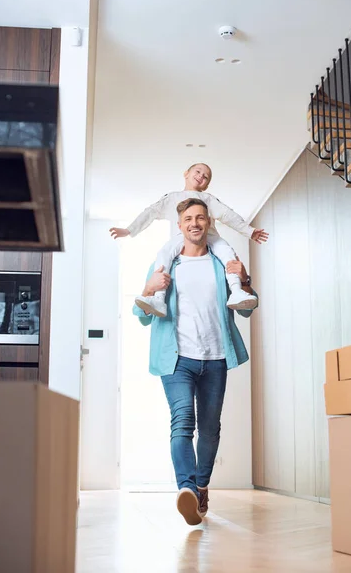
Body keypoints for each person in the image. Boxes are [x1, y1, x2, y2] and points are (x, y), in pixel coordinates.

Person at [133, 197, 258, 526]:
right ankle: (186, 489)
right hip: (176, 359)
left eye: (201, 217)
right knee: (182, 421)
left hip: (216, 356)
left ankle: (201, 487)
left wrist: (244, 279)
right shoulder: (166, 264)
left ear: (208, 223)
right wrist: (148, 287)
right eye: (189, 218)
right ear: (180, 225)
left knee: (210, 429)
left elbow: (246, 307)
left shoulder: (222, 262)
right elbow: (141, 314)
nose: (195, 223)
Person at [110, 163, 268, 317]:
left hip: (211, 237)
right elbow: (150, 213)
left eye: (206, 177)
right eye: (198, 171)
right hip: (179, 239)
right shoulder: (172, 199)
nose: (201, 176)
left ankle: (237, 292)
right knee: (163, 255)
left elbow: (228, 215)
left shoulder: (208, 199)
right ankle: (158, 299)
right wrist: (129, 230)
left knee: (228, 253)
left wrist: (249, 231)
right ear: (186, 173)